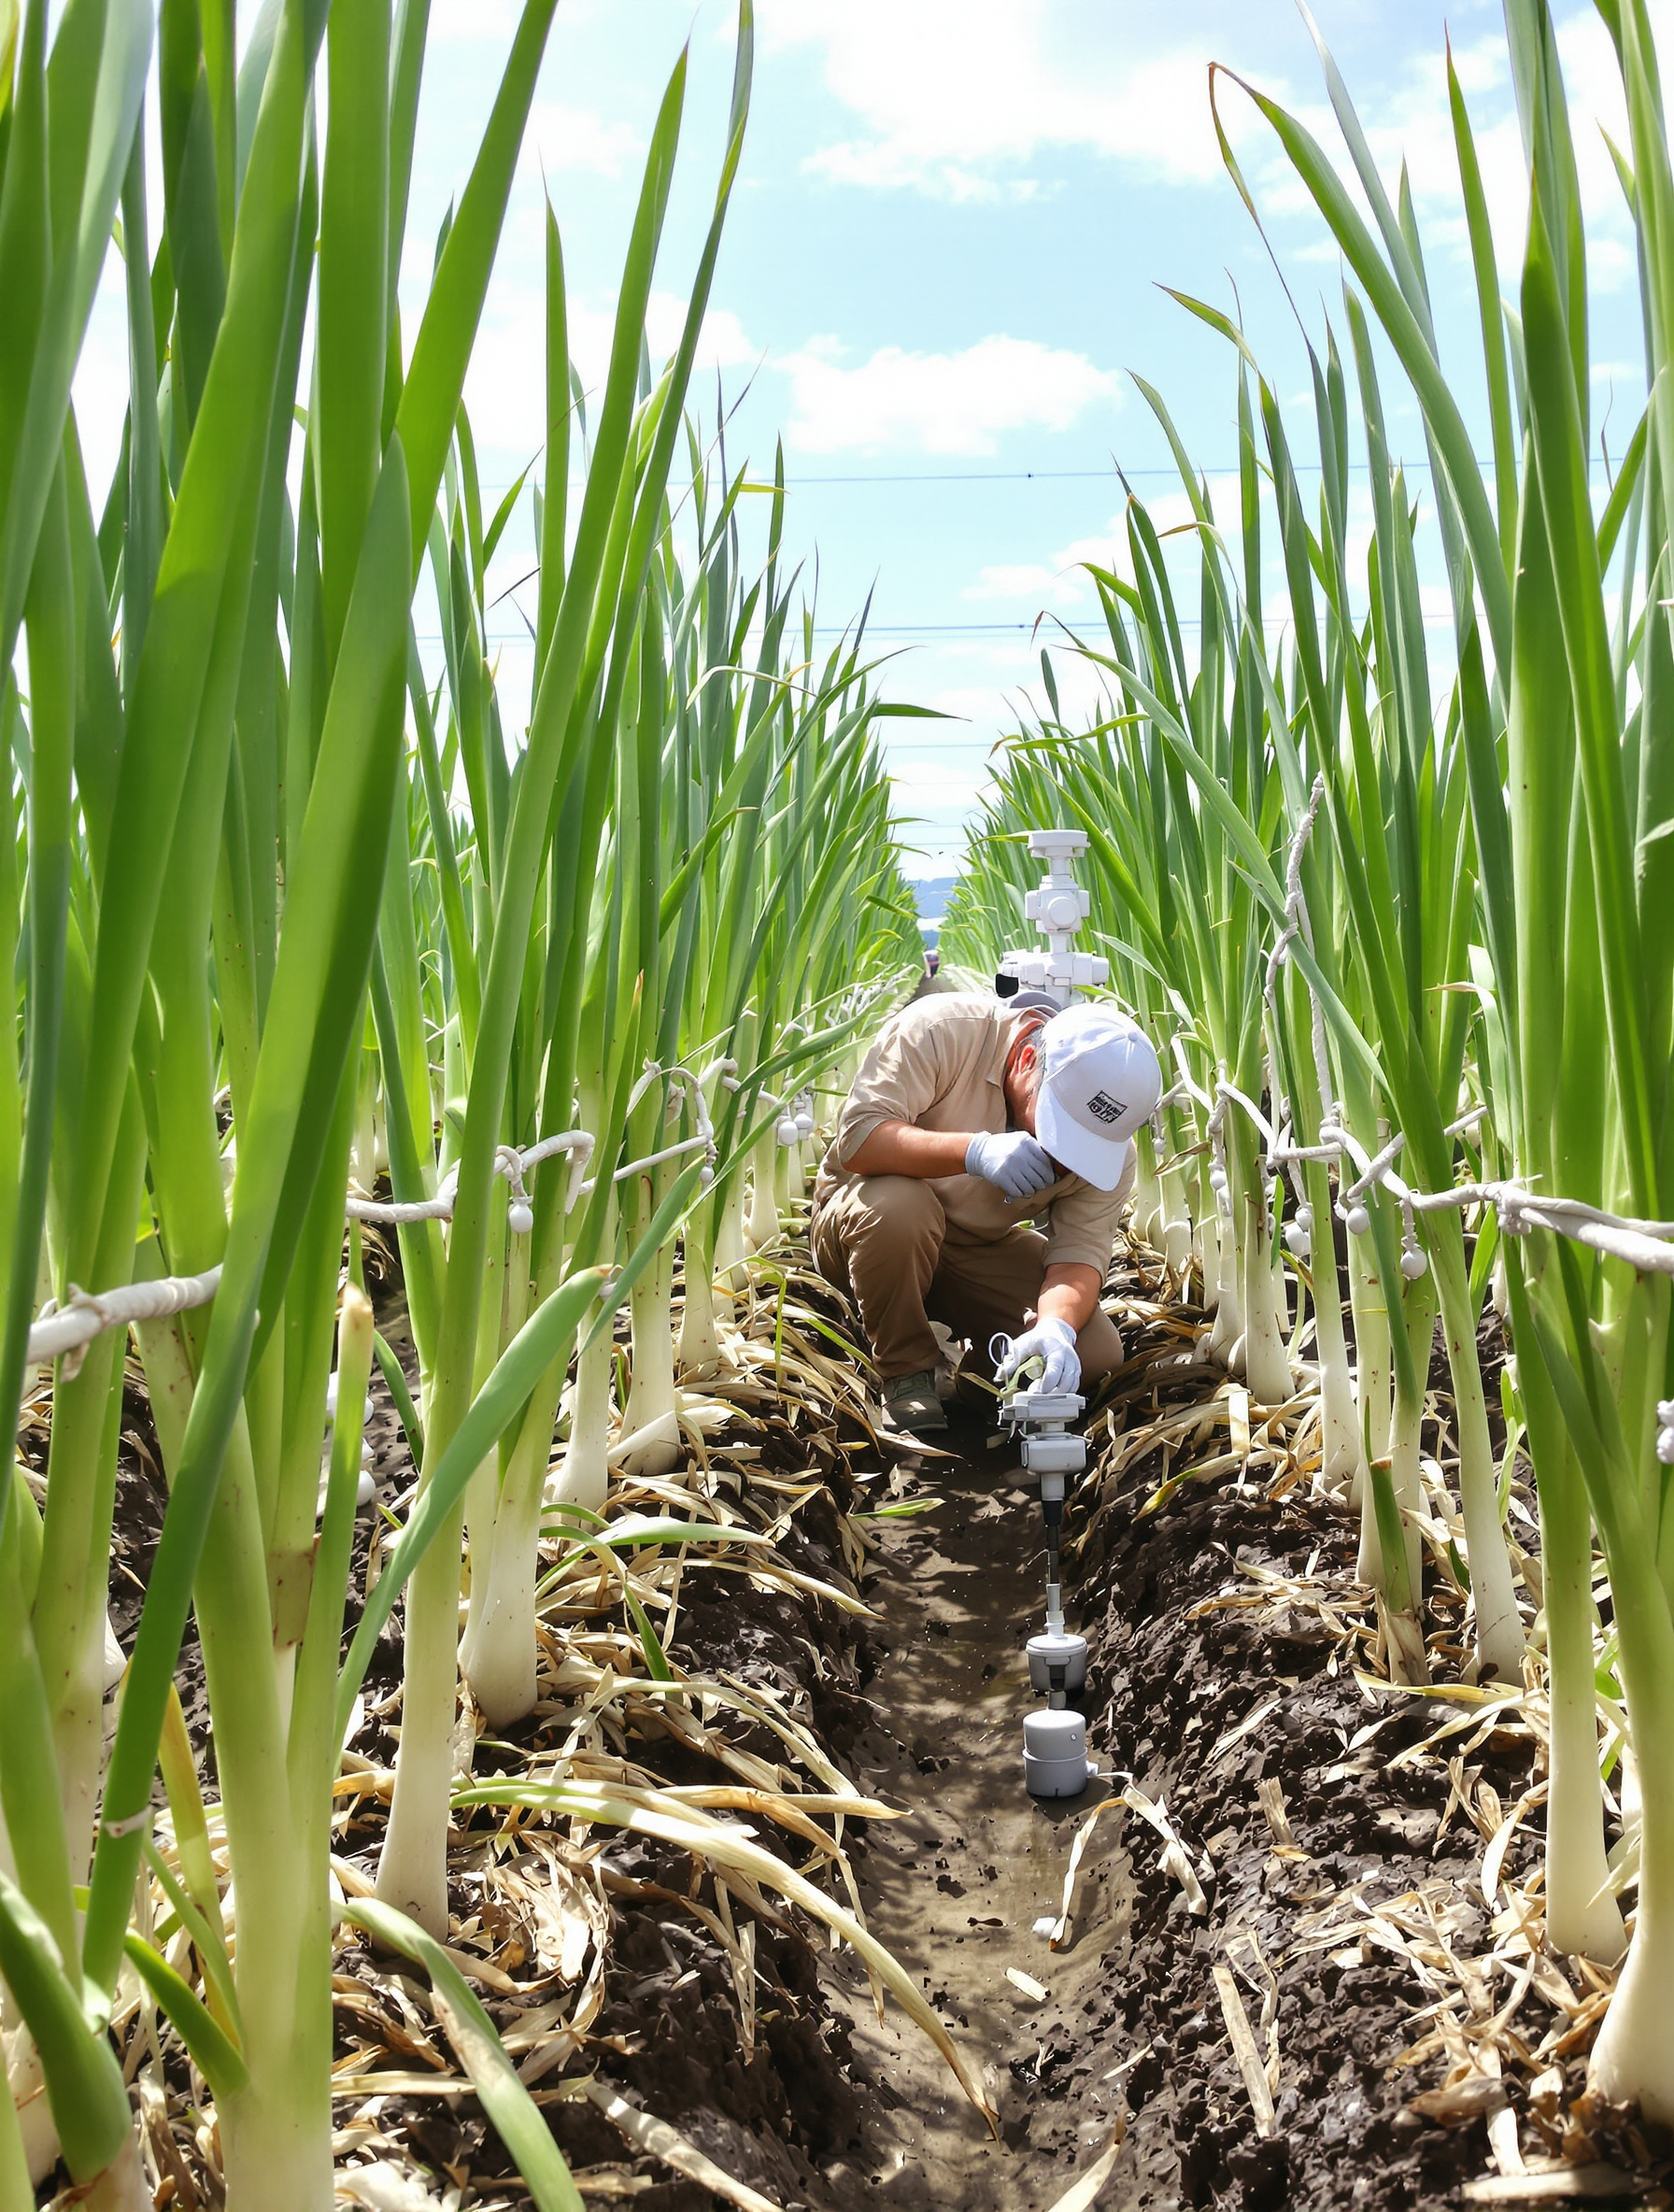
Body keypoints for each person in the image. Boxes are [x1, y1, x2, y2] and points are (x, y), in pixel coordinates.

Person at [811, 991, 1164, 1434]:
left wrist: (1055, 1328)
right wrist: (973, 1150)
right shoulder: (943, 1030)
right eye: (1057, 1127)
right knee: (902, 1208)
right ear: (1027, 1060)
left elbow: (1078, 1253)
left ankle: (989, 1383)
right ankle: (905, 1370)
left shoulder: (1113, 1157)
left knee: (1095, 1350)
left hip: (974, 1248)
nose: (1062, 1158)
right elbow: (861, 1139)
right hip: (866, 1228)